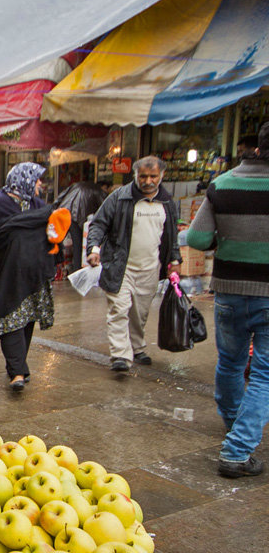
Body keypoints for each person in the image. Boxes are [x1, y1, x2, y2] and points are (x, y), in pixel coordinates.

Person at [187, 121, 269, 478]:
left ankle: (236, 426)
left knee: (231, 364)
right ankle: (236, 451)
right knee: (265, 374)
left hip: (229, 293)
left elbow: (198, 238)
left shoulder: (222, 183)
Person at [86, 156, 181, 372]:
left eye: (153, 176)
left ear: (161, 176)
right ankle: (120, 354)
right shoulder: (120, 197)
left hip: (150, 268)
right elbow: (98, 224)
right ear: (135, 176)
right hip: (120, 266)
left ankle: (137, 347)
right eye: (143, 176)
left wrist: (174, 259)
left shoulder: (167, 202)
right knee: (119, 309)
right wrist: (93, 249)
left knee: (139, 313)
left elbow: (172, 235)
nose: (148, 181)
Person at [0, 162, 55, 392]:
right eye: (36, 180)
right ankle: (17, 372)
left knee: (27, 319)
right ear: (23, 180)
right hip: (4, 275)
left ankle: (17, 366)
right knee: (9, 319)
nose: (39, 184)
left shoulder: (37, 204)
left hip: (32, 276)